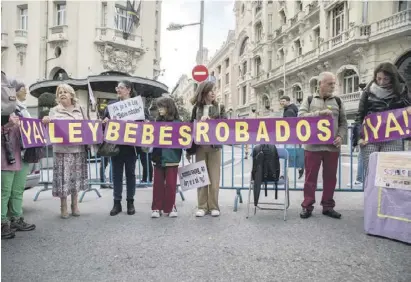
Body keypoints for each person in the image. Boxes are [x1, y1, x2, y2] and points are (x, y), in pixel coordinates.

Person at [298, 72, 348, 219]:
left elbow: (343, 123)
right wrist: (319, 113)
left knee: (331, 178)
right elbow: (300, 117)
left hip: (332, 147)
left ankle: (328, 206)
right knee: (310, 178)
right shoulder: (308, 100)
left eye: (334, 83)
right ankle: (307, 206)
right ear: (320, 84)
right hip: (312, 147)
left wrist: (340, 136)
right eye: (330, 83)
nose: (333, 86)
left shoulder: (338, 101)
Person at [353, 62, 411, 180]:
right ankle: (371, 199)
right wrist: (359, 137)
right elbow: (359, 116)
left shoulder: (402, 91)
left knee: (389, 175)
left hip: (392, 138)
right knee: (371, 174)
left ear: (392, 78)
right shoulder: (367, 91)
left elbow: (407, 111)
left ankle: (385, 199)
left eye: (386, 79)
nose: (381, 82)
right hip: (370, 138)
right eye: (378, 78)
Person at [102, 80, 149, 216]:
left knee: (131, 174)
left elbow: (146, 120)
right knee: (116, 174)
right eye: (117, 87)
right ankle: (117, 203)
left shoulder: (137, 105)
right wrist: (104, 121)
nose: (118, 90)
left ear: (128, 90)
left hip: (131, 146)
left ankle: (130, 202)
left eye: (121, 88)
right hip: (115, 145)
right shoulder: (111, 105)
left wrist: (146, 121)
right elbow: (104, 120)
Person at [42, 84, 88, 219]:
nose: (62, 94)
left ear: (71, 95)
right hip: (61, 150)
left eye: (65, 92)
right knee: (63, 179)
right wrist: (46, 121)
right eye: (60, 92)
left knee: (76, 178)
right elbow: (48, 129)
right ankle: (63, 206)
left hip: (78, 149)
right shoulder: (54, 110)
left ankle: (75, 205)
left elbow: (88, 125)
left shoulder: (80, 109)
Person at [187, 81, 227, 217]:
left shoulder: (220, 107)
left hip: (214, 148)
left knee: (215, 179)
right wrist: (188, 149)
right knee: (201, 177)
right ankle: (202, 206)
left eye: (215, 89)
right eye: (211, 90)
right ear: (204, 92)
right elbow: (190, 127)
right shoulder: (196, 109)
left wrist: (210, 120)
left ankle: (214, 206)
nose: (214, 92)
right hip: (200, 148)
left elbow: (226, 125)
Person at [1, 78, 35, 239]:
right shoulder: (4, 108)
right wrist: (7, 125)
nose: (26, 90)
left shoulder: (23, 109)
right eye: (23, 88)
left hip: (22, 153)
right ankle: (2, 223)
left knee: (17, 189)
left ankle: (15, 218)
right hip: (6, 153)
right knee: (4, 190)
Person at [150, 97, 182, 218]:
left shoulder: (178, 123)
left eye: (162, 106)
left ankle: (171, 206)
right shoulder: (156, 122)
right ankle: (156, 207)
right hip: (158, 157)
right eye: (159, 107)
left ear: (169, 107)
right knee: (157, 184)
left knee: (171, 185)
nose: (160, 109)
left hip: (172, 157)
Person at [279, 95, 304, 179]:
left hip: (288, 137)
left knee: (283, 155)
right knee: (292, 154)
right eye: (281, 101)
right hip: (293, 137)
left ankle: (283, 175)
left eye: (283, 101)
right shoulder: (291, 109)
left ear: (288, 101)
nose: (281, 103)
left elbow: (289, 125)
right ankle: (299, 168)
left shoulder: (289, 111)